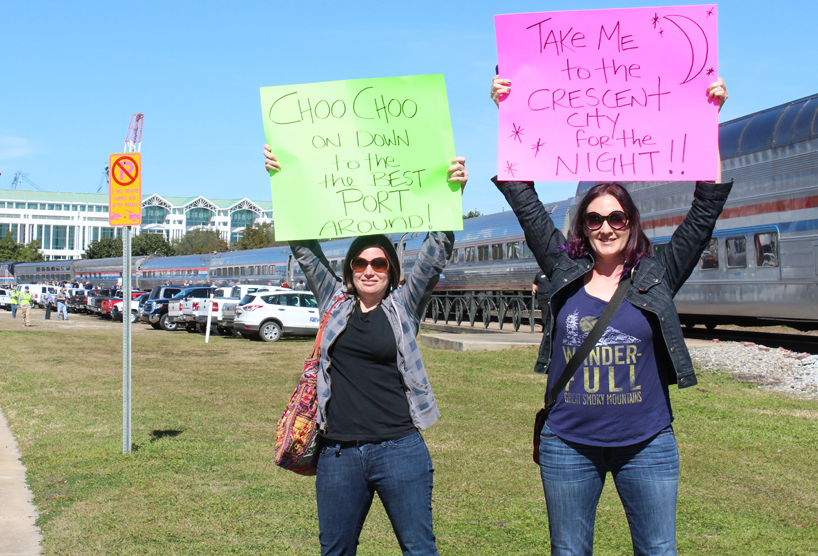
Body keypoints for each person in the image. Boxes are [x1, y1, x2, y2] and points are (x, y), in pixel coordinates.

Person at [490, 75, 731, 556]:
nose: (605, 227)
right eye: (594, 219)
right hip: (568, 443)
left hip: (647, 442)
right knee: (570, 551)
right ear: (583, 226)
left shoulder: (657, 273)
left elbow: (705, 208)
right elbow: (523, 198)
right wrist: (508, 109)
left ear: (630, 223)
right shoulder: (562, 270)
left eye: (616, 218)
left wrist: (709, 120)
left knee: (659, 550)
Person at [265, 144, 468, 556]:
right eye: (360, 263)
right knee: (335, 550)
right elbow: (305, 249)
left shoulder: (403, 307)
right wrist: (283, 178)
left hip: (400, 450)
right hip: (338, 454)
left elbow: (435, 251)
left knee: (419, 549)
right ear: (350, 270)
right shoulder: (333, 304)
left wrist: (451, 193)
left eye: (378, 263)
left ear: (392, 270)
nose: (369, 270)